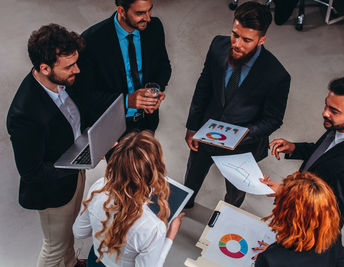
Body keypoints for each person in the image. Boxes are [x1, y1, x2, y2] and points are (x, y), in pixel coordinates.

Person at [184, 1, 291, 208]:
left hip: (242, 148)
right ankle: (185, 204)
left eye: (247, 40)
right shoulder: (217, 46)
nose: (237, 44)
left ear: (262, 40)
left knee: (234, 196)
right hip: (205, 133)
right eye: (235, 34)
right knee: (192, 178)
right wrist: (192, 127)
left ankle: (225, 218)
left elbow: (273, 119)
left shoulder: (277, 75)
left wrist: (242, 134)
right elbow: (203, 88)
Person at [7, 24, 88, 267]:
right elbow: (32, 173)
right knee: (54, 248)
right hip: (53, 189)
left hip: (75, 169)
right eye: (69, 66)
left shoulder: (60, 80)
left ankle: (71, 263)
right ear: (44, 68)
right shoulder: (24, 113)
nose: (77, 69)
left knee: (69, 233)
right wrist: (78, 163)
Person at [267, 74, 344, 227]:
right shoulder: (343, 125)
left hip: (306, 225)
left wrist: (287, 193)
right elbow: (324, 152)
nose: (325, 113)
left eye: (333, 111)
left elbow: (331, 215)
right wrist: (294, 148)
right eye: (326, 105)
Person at [73, 131, 184, 267]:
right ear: (156, 170)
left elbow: (79, 232)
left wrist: (104, 225)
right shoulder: (154, 227)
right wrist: (169, 237)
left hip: (95, 260)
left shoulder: (99, 186)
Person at [76, 0, 171, 133]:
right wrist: (126, 101)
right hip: (109, 128)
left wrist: (155, 91)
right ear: (121, 11)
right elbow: (83, 94)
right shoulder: (91, 40)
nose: (148, 18)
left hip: (147, 123)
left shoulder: (154, 27)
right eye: (140, 13)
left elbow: (163, 66)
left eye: (150, 10)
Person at [253, 171, 344, 267]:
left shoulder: (270, 259)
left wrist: (273, 253)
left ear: (288, 216)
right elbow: (341, 260)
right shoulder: (333, 233)